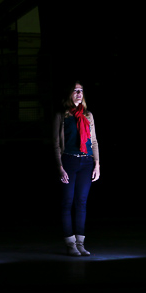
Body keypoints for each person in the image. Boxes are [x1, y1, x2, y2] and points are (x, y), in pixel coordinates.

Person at [53, 81, 100, 256]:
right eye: (75, 90)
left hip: (86, 162)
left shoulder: (88, 115)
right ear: (69, 94)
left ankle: (80, 243)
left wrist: (97, 164)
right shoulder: (62, 116)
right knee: (67, 202)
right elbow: (56, 144)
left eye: (81, 90)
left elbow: (93, 141)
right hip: (69, 161)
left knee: (81, 202)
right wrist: (60, 167)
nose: (79, 93)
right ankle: (70, 243)